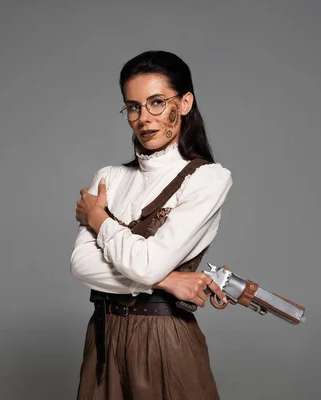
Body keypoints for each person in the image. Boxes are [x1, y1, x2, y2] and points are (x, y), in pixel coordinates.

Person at [70, 50, 233, 400]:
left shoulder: (207, 179)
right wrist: (169, 280)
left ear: (185, 102)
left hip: (163, 340)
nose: (144, 117)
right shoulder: (109, 178)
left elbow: (145, 265)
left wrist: (98, 219)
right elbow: (82, 266)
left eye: (157, 102)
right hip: (103, 336)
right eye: (133, 106)